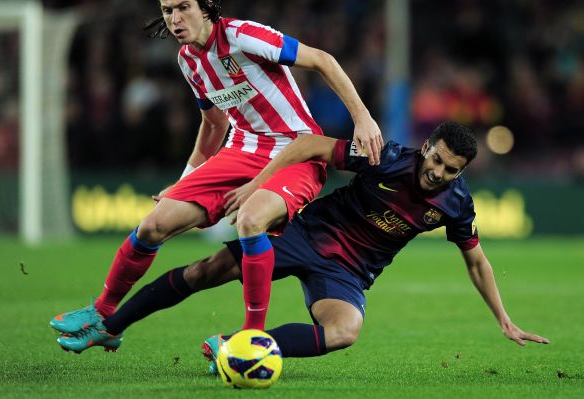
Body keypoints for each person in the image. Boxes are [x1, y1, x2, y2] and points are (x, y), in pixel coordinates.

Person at [50, 0, 383, 333]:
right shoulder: (188, 60)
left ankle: (251, 335)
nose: (175, 19)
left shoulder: (243, 36)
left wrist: (362, 118)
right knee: (152, 226)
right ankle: (102, 313)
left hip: (295, 151)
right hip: (240, 149)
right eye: (166, 11)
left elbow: (322, 59)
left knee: (251, 221)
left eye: (183, 7)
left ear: (206, 7)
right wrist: (185, 179)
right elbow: (214, 125)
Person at [57, 122, 548, 362]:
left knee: (345, 332)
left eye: (449, 170)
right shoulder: (387, 158)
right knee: (203, 272)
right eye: (435, 160)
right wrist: (259, 184)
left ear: (461, 173)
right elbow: (308, 146)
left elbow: (478, 262)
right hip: (303, 235)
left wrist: (504, 319)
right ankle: (110, 324)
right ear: (426, 149)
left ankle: (236, 349)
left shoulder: (457, 205)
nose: (437, 173)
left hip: (348, 273)